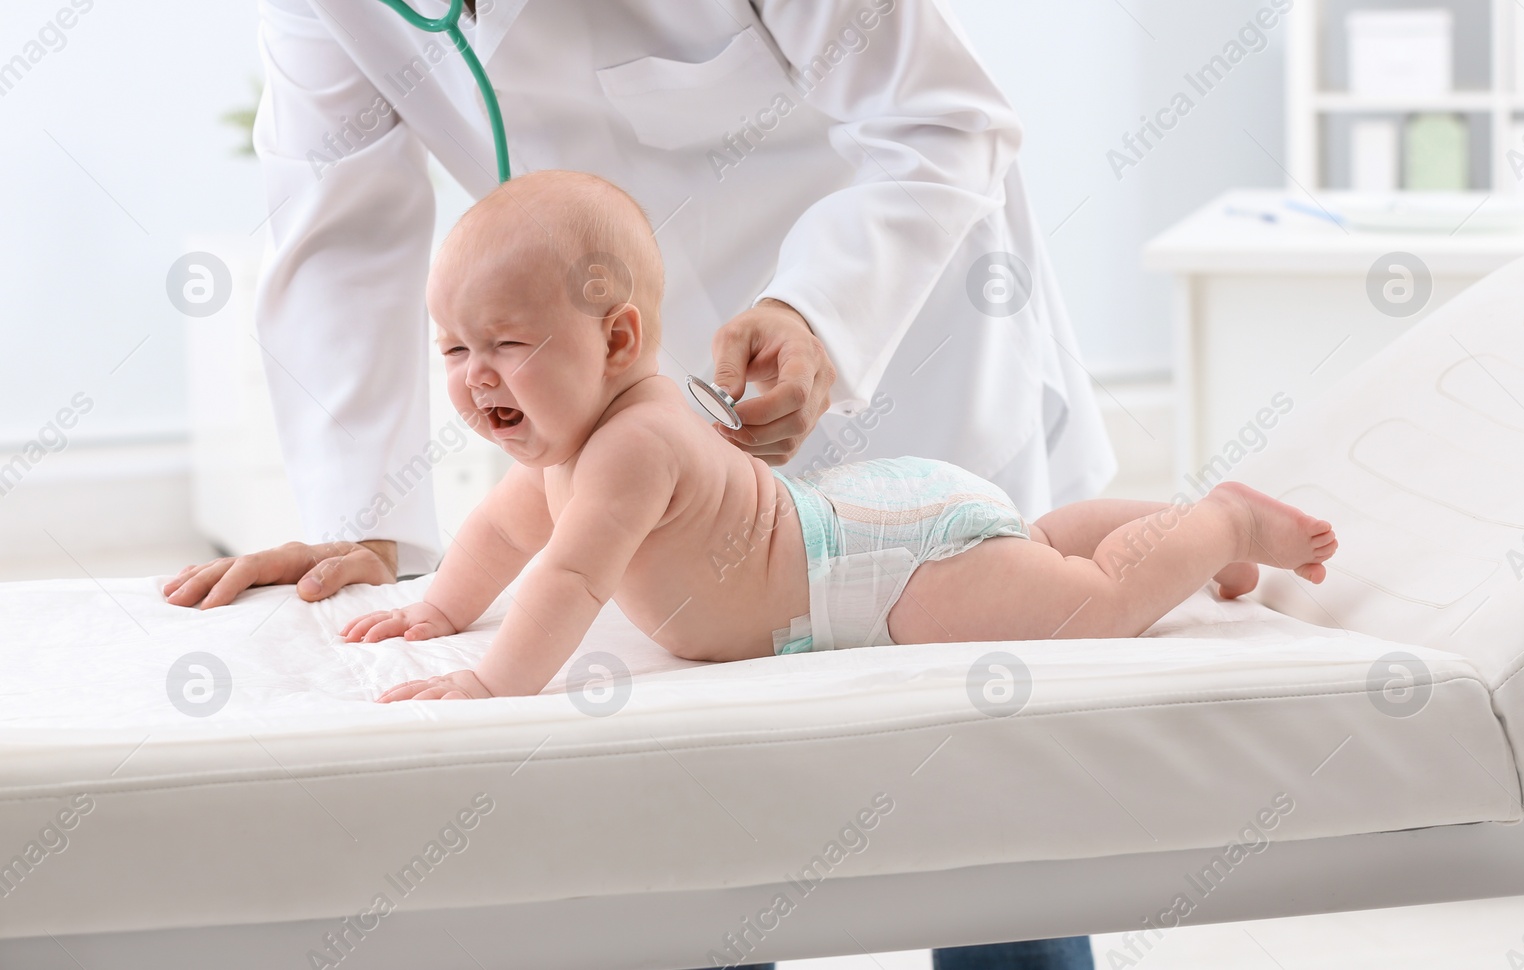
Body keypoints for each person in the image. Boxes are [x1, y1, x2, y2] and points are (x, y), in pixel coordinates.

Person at [167, 1, 1122, 965]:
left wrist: (821, 314)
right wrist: (365, 525)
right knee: (698, 828)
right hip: (622, 408)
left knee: (985, 806)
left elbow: (941, 117)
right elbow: (339, 230)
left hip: (898, 331)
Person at [342, 171, 1335, 708]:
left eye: (506, 345)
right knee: (1030, 541)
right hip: (874, 523)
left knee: (1093, 604)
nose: (474, 373)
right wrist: (438, 608)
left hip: (884, 573)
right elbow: (504, 533)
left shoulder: (632, 449)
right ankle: (1165, 526)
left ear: (617, 340)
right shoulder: (566, 452)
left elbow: (565, 579)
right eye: (454, 349)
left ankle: (1220, 525)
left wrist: (489, 679)